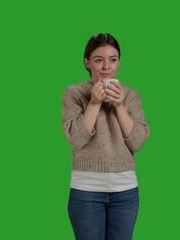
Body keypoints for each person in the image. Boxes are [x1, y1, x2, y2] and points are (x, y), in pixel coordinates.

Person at [62, 33, 150, 240]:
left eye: (112, 59)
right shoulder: (74, 93)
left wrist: (119, 106)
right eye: (98, 60)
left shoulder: (131, 95)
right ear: (87, 63)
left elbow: (137, 143)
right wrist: (94, 103)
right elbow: (75, 139)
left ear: (119, 62)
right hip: (86, 191)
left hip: (125, 191)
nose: (106, 67)